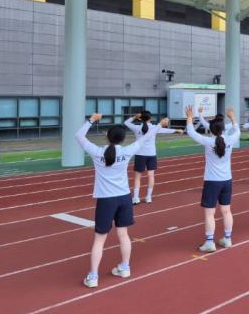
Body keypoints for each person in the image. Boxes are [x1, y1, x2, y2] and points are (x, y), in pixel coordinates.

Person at [75, 113, 155, 288]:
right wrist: (149, 124)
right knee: (123, 234)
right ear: (123, 139)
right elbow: (146, 136)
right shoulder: (127, 151)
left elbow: (79, 136)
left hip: (106, 200)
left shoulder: (97, 152)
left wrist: (91, 120)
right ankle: (125, 268)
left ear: (107, 136)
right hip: (124, 198)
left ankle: (93, 276)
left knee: (99, 239)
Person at [185, 106, 239, 253]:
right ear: (223, 129)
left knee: (210, 213)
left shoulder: (208, 141)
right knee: (226, 211)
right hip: (227, 180)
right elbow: (237, 130)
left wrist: (189, 117)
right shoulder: (230, 139)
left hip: (212, 181)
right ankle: (227, 239)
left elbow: (191, 132)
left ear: (211, 129)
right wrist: (232, 117)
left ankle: (210, 242)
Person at [124, 111, 182, 204]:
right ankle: (148, 197)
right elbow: (165, 130)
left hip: (140, 154)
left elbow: (126, 123)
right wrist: (177, 130)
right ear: (150, 118)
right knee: (151, 176)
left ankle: (135, 198)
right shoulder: (154, 127)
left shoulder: (136, 127)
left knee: (137, 177)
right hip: (151, 154)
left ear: (140, 118)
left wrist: (134, 116)